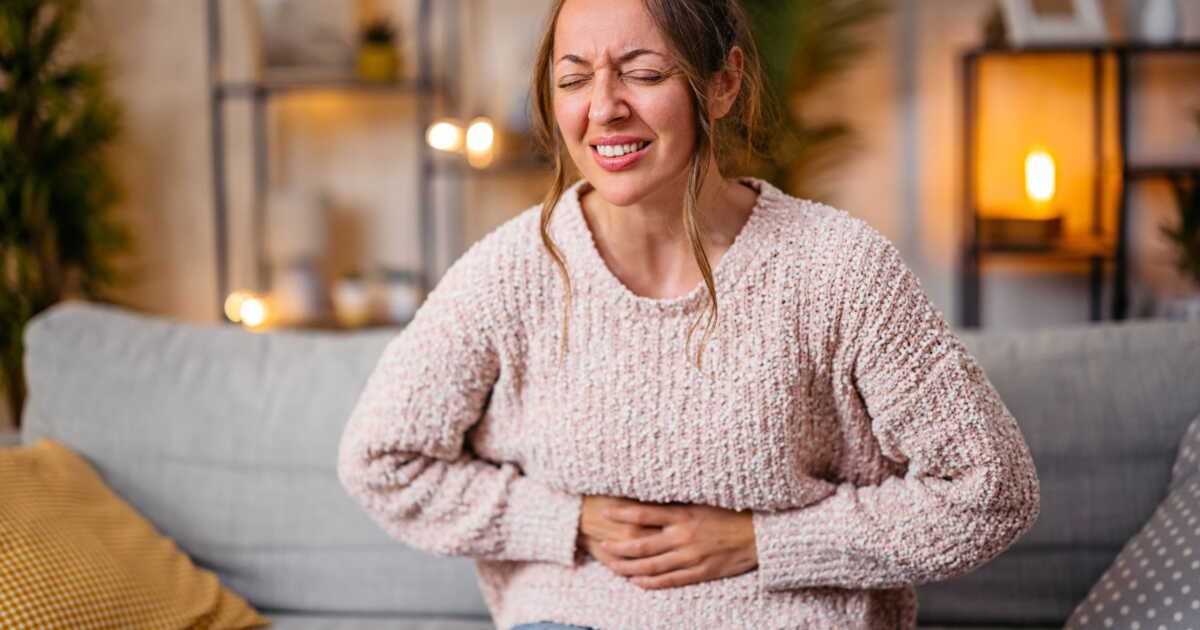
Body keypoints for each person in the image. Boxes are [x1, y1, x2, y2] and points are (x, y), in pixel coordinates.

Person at [336, 0, 1042, 628]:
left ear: (724, 82)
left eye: (642, 74)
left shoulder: (839, 269)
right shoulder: (512, 270)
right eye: (574, 78)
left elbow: (990, 491)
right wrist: (564, 522)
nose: (604, 107)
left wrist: (767, 542)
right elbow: (382, 461)